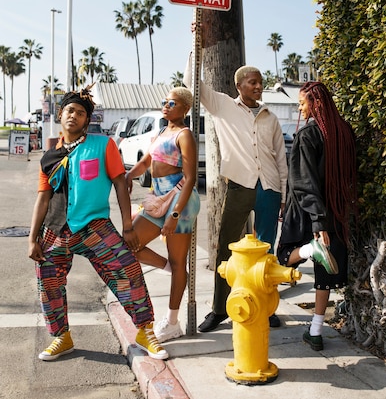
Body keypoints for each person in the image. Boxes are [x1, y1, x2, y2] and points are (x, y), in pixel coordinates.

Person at [28, 87, 168, 361]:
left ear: (87, 120)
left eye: (81, 113)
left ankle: (144, 331)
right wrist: (33, 238)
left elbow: (119, 183)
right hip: (55, 230)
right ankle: (62, 337)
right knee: (49, 283)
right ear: (60, 114)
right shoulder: (49, 157)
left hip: (95, 227)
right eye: (70, 110)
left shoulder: (103, 145)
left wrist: (127, 226)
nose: (75, 116)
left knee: (127, 270)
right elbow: (42, 199)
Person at [184, 53, 288, 332]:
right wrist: (196, 49)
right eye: (253, 82)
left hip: (270, 189)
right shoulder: (223, 106)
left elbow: (280, 159)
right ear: (239, 85)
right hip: (239, 187)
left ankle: (266, 307)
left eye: (260, 83)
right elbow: (192, 84)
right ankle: (219, 309)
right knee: (227, 248)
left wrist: (284, 195)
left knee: (267, 251)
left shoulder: (270, 118)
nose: (258, 87)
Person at [277, 81, 357, 351]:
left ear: (317, 103)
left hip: (309, 210)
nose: (300, 108)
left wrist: (316, 223)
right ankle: (315, 331)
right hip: (336, 209)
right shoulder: (344, 131)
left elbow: (304, 182)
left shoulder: (309, 134)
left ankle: (311, 249)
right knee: (325, 276)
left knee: (285, 255)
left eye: (302, 103)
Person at [126, 87, 200, 343]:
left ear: (185, 109)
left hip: (180, 202)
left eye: (173, 103)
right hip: (157, 200)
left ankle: (172, 322)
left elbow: (191, 178)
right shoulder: (160, 132)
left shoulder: (184, 135)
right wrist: (128, 176)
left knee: (181, 262)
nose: (166, 105)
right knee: (128, 245)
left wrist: (175, 215)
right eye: (165, 101)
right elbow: (146, 162)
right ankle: (168, 267)